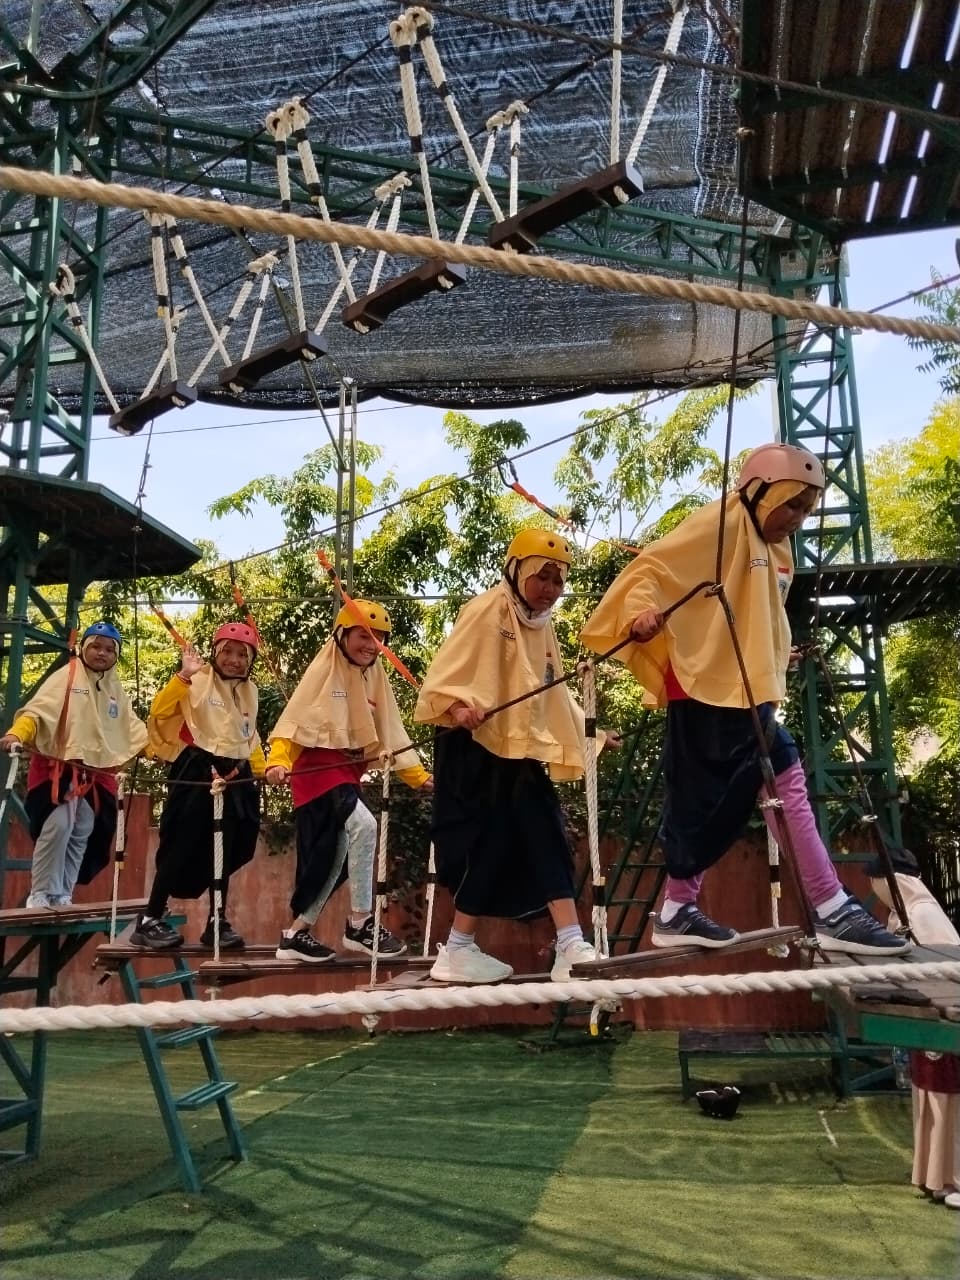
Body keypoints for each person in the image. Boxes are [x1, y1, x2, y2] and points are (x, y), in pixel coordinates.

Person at [581, 441, 910, 956]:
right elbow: (651, 569)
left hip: (745, 692)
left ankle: (815, 906)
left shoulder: (776, 547)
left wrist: (776, 657)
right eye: (791, 504)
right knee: (708, 803)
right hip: (706, 689)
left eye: (807, 509)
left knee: (778, 779)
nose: (798, 518)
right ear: (760, 492)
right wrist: (638, 614)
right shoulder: (721, 524)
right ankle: (810, 908)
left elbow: (760, 616)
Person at [414, 527, 616, 985]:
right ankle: (462, 948)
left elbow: (552, 693)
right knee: (489, 844)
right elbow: (445, 675)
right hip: (471, 745)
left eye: (558, 580)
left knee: (544, 829)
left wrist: (593, 734)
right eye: (541, 577)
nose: (550, 589)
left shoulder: (542, 628)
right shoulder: (487, 609)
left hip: (515, 750)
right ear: (516, 570)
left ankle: (568, 943)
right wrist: (457, 706)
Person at [265, 600, 431, 963]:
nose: (371, 645)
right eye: (364, 636)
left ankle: (294, 936)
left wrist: (417, 776)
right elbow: (294, 721)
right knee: (365, 826)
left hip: (347, 774)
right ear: (342, 635)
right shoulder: (324, 670)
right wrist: (277, 760)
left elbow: (390, 728)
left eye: (379, 638)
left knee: (335, 857)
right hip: (317, 771)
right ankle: (360, 923)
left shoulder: (375, 676)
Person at [131, 622, 264, 950]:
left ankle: (216, 922)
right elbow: (160, 712)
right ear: (216, 652)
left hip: (235, 775)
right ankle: (150, 918)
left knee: (228, 848)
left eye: (242, 654)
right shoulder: (197, 679)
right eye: (228, 652)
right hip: (197, 769)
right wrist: (183, 676)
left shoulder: (250, 691)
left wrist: (263, 770)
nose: (234, 660)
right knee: (180, 841)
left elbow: (249, 736)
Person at [0, 621, 148, 909]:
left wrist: (155, 749)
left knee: (82, 828)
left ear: (116, 655)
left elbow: (131, 730)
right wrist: (17, 734)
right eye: (95, 646)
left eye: (109, 649)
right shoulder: (66, 677)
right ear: (83, 648)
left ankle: (62, 893)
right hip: (59, 771)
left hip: (93, 776)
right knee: (58, 825)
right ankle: (41, 893)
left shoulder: (115, 690)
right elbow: (37, 713)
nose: (101, 653)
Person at [866, 848, 960, 1207]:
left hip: (942, 1016)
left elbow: (945, 973)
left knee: (948, 1098)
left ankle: (955, 1178)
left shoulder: (923, 913)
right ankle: (935, 1176)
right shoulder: (901, 916)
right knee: (929, 1095)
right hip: (921, 1015)